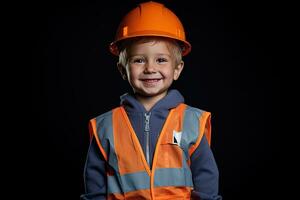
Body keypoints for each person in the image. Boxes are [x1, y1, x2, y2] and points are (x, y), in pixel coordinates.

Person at [81, 1, 222, 199]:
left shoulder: (192, 121)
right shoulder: (105, 126)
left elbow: (206, 176)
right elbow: (94, 183)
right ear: (123, 70)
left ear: (177, 69)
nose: (150, 68)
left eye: (161, 60)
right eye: (139, 60)